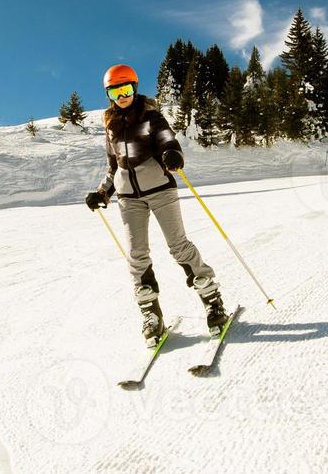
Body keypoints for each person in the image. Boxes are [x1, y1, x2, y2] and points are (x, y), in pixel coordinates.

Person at [85, 64, 225, 345]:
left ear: (135, 88)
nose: (122, 96)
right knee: (136, 255)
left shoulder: (151, 116)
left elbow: (167, 141)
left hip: (160, 188)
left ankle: (212, 302)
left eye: (126, 89)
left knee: (178, 246)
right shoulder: (110, 125)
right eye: (115, 91)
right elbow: (114, 166)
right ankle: (152, 315)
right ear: (109, 94)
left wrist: (172, 155)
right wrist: (103, 192)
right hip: (128, 197)